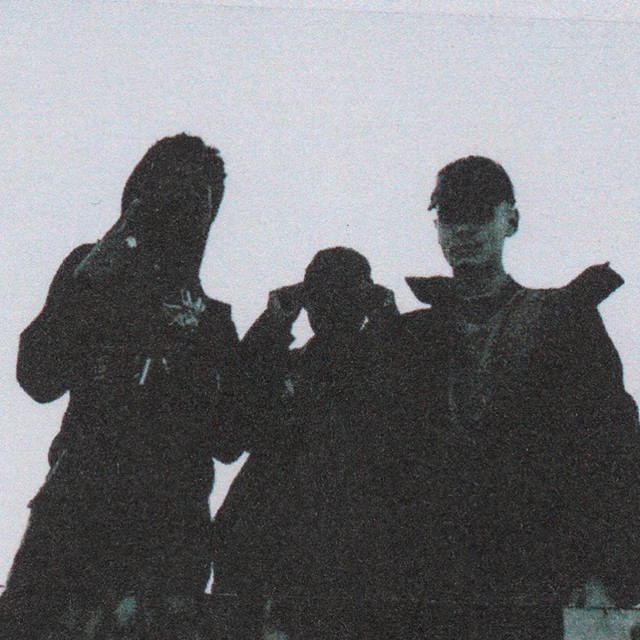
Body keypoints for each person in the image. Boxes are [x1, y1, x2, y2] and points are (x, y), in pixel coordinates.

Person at [379, 155, 640, 639]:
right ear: (438, 228)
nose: (464, 229)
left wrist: (611, 574)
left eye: (480, 213)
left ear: (511, 220)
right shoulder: (407, 337)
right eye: (451, 215)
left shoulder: (563, 320)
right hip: (429, 588)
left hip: (534, 584)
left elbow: (614, 451)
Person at [0, 134, 243, 639]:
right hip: (77, 519)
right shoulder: (95, 272)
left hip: (168, 540)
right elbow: (39, 376)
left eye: (200, 201)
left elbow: (227, 440)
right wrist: (97, 270)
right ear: (140, 196)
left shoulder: (214, 322)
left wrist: (265, 346)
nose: (185, 213)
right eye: (170, 191)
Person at [212, 247, 398, 639]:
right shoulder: (288, 369)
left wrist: (385, 318)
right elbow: (228, 436)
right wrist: (272, 323)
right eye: (321, 294)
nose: (332, 307)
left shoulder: (382, 370)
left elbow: (404, 399)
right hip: (266, 562)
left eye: (344, 294)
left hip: (341, 569)